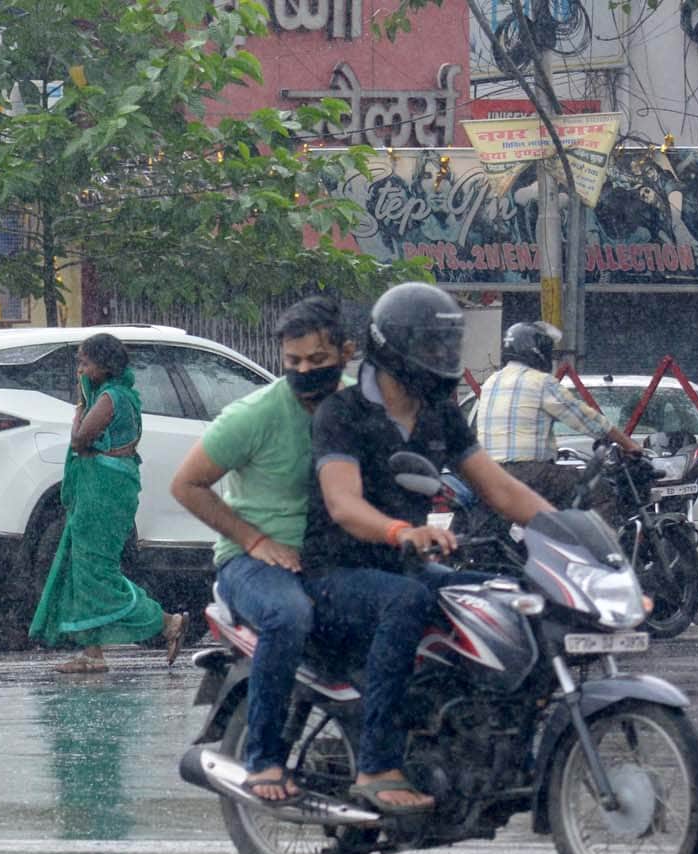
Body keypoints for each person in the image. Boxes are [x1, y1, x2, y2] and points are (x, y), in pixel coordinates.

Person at [305, 282, 552, 815]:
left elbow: (501, 488)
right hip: (334, 571)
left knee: (509, 597)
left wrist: (567, 530)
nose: (443, 357)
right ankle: (376, 764)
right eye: (432, 345)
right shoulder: (342, 412)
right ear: (394, 347)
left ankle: (484, 741)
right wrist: (401, 532)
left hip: (402, 567)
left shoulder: (440, 411)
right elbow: (343, 503)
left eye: (448, 344)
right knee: (407, 602)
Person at [170, 295, 357, 807]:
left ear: (345, 352)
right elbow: (187, 485)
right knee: (288, 616)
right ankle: (263, 757)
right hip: (251, 564)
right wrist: (254, 539)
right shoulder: (254, 415)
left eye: (316, 362)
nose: (303, 372)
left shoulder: (356, 408)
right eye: (292, 362)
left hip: (328, 560)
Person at [29, 332, 187, 672]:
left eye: (85, 364)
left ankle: (166, 622)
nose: (80, 371)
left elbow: (80, 439)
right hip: (104, 487)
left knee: (98, 572)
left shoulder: (110, 398)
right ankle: (92, 652)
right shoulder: (116, 395)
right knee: (82, 568)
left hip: (104, 491)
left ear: (105, 365)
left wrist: (80, 408)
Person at [474, 319, 643, 510]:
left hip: (489, 475)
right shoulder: (540, 382)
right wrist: (628, 444)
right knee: (598, 491)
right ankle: (599, 540)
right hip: (528, 473)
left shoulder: (491, 382)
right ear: (537, 350)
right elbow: (584, 417)